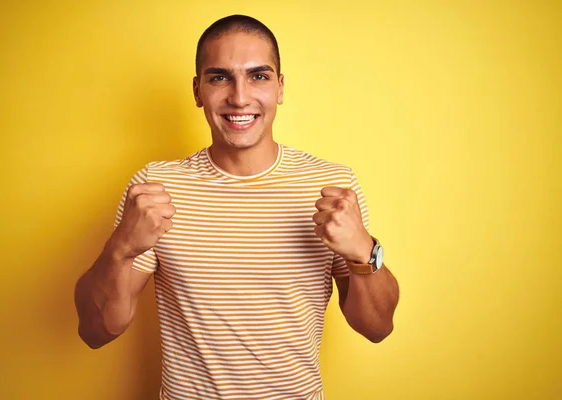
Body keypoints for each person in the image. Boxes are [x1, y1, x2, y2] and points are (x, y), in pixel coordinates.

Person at [74, 14, 399, 400]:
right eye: (219, 77)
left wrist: (364, 249)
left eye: (258, 76)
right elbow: (96, 332)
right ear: (197, 91)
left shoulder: (329, 185)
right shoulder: (158, 187)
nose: (240, 97)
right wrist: (120, 248)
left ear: (280, 88)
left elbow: (377, 327)